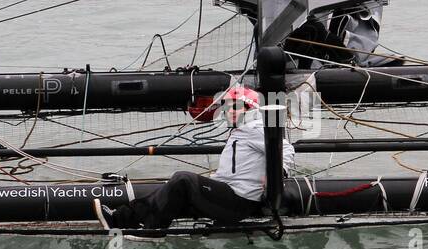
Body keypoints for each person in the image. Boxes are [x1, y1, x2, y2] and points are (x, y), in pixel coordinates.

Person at [93, 85, 295, 236]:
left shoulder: (255, 127)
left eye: (236, 107)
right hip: (230, 194)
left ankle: (153, 231)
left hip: (239, 202)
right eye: (227, 107)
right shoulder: (240, 130)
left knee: (183, 180)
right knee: (168, 189)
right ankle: (119, 220)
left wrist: (277, 175)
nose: (229, 111)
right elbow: (236, 170)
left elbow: (285, 148)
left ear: (249, 108)